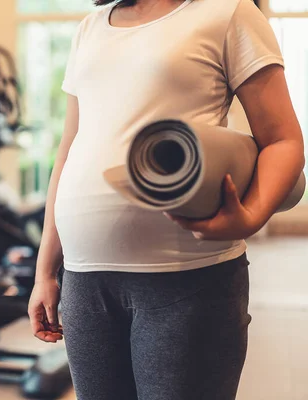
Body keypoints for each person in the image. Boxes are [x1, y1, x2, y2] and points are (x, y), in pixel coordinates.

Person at [27, 0, 305, 399]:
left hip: (187, 277)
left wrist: (251, 217)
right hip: (86, 282)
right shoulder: (89, 29)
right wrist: (45, 273)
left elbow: (282, 140)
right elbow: (68, 152)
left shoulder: (228, 13)